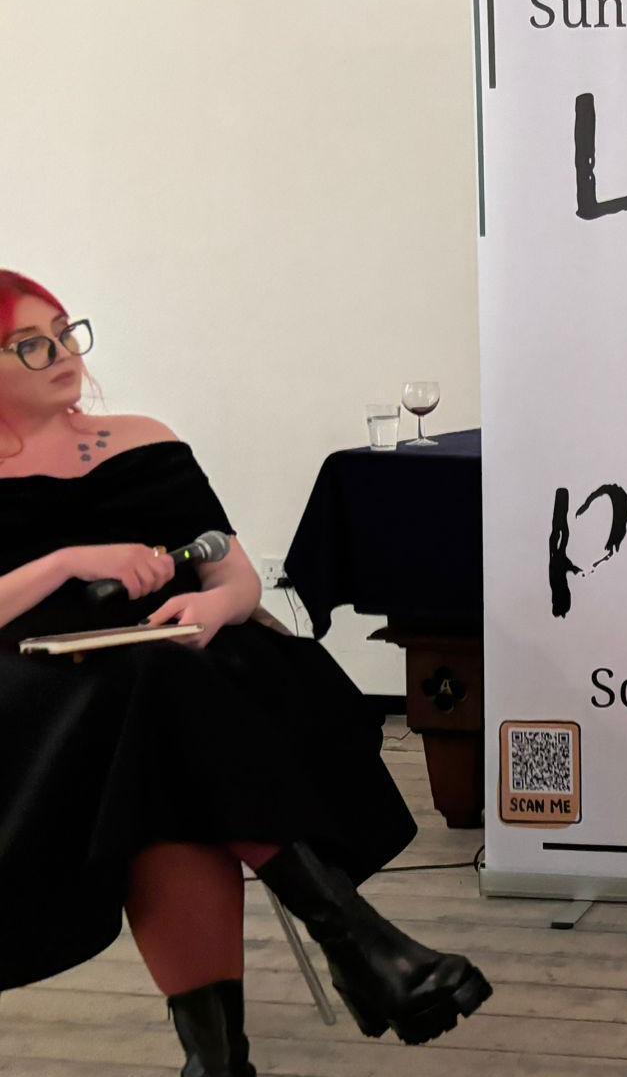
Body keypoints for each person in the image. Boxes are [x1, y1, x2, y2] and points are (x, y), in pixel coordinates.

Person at [0, 271, 492, 1076]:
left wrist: (216, 608)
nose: (62, 354)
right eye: (32, 344)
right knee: (160, 711)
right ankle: (353, 939)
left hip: (179, 674)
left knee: (164, 731)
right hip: (36, 695)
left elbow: (230, 572)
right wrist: (66, 563)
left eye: (65, 331)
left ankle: (224, 1064)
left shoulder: (140, 439)